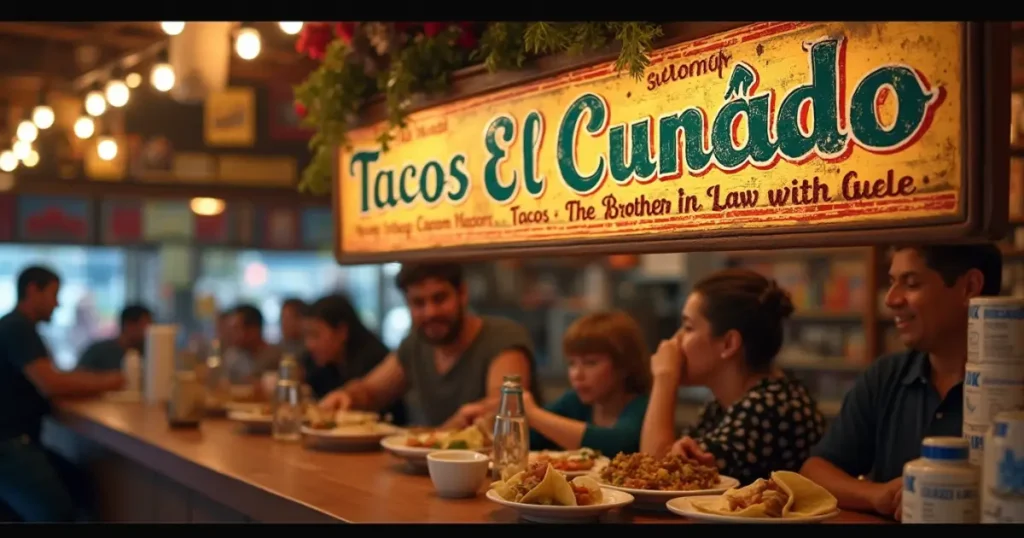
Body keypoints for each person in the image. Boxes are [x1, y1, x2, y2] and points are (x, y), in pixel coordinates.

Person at [800, 243, 1002, 520]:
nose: (891, 299)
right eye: (892, 282)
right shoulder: (886, 375)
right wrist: (877, 494)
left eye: (912, 284)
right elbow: (816, 470)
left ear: (969, 287)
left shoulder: (1010, 386)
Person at [640, 268, 826, 482]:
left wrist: (665, 377)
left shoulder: (769, 406)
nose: (675, 341)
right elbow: (672, 462)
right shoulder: (724, 404)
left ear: (729, 344)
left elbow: (657, 475)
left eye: (688, 328)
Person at [319, 262, 537, 429]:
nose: (430, 312)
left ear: (462, 294)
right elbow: (371, 391)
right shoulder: (416, 343)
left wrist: (436, 438)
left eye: (439, 299)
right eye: (418, 303)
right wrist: (346, 397)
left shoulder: (503, 338)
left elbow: (501, 409)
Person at [0, 266, 124, 522]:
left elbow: (51, 378)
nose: (57, 304)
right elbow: (51, 383)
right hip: (9, 446)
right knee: (58, 513)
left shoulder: (20, 327)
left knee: (81, 487)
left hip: (19, 442)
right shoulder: (17, 327)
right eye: (54, 294)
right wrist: (112, 381)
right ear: (33, 290)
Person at [525, 311, 650, 456]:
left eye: (590, 363)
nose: (577, 374)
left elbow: (618, 443)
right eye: (571, 363)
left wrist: (533, 414)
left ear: (624, 366)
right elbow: (530, 438)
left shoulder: (644, 407)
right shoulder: (574, 402)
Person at [301, 294, 406, 424]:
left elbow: (372, 395)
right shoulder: (323, 365)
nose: (309, 344)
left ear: (342, 332)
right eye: (306, 336)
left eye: (315, 335)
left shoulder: (374, 358)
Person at [76, 304, 153, 372]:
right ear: (129, 325)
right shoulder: (99, 351)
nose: (149, 331)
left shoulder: (148, 353)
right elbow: (78, 377)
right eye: (145, 326)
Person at [223, 305, 283, 385]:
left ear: (253, 330)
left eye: (236, 329)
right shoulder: (233, 355)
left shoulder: (275, 358)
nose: (231, 334)